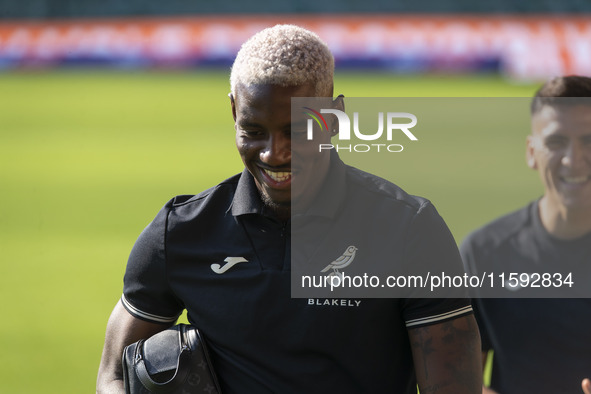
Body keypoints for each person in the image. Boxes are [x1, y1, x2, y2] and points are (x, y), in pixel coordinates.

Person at [97, 24, 482, 393]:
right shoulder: (180, 233)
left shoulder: (410, 230)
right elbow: (113, 374)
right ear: (234, 112)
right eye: (253, 131)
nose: (273, 154)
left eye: (296, 131)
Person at [460, 75, 591, 394]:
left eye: (589, 140)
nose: (573, 160)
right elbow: (458, 383)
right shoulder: (484, 253)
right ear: (532, 151)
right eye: (556, 142)